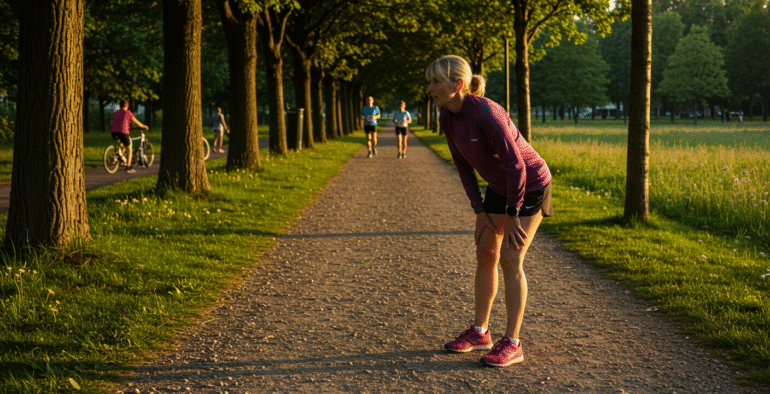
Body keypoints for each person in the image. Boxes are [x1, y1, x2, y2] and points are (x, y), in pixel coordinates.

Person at [426, 55, 552, 367]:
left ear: (457, 85)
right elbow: (463, 168)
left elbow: (517, 165)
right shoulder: (446, 116)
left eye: (435, 82)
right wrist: (480, 211)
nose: (429, 88)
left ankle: (513, 342)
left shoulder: (487, 113)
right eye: (429, 81)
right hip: (499, 185)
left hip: (531, 183)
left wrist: (512, 213)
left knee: (511, 258)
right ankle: (481, 333)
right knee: (485, 252)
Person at [111, 99, 149, 173]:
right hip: (123, 132)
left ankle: (120, 157)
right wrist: (143, 126)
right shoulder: (127, 112)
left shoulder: (115, 112)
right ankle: (128, 167)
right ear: (127, 105)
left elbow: (114, 121)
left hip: (114, 132)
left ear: (120, 105)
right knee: (129, 148)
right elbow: (136, 121)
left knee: (123, 144)